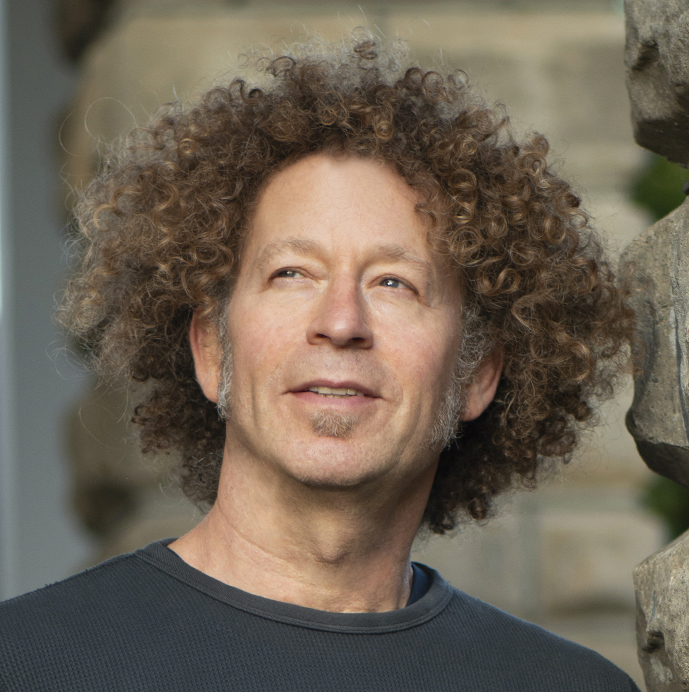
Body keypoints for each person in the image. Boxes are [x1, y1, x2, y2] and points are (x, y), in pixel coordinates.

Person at [0, 35, 640, 690]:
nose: (340, 323)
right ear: (211, 348)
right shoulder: (26, 664)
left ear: (477, 373)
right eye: (291, 273)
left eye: (394, 283)